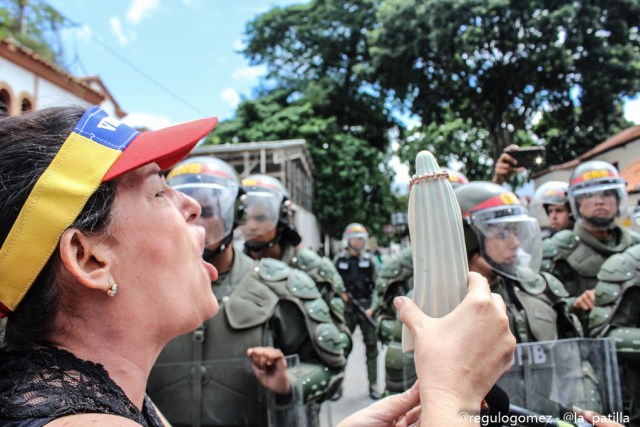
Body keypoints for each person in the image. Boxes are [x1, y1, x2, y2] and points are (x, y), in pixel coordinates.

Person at [0, 106, 516, 427]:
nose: (193, 208)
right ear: (88, 257)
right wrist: (454, 396)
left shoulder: (105, 396)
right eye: (159, 190)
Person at [147, 157, 346, 427]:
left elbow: (330, 367)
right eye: (176, 209)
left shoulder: (280, 286)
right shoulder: (137, 292)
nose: (193, 219)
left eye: (208, 210)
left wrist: (289, 382)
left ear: (237, 213)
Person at [455, 182, 599, 415]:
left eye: (515, 232)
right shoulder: (440, 304)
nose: (515, 243)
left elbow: (576, 367)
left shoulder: (544, 288)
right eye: (502, 234)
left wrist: (585, 416)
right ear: (467, 239)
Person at [240, 174, 350, 351]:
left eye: (260, 218)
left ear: (282, 218)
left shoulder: (314, 269)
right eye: (245, 218)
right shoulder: (230, 269)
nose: (251, 226)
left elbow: (340, 342)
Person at [543, 160, 640, 323]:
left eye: (607, 193)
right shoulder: (556, 250)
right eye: (589, 195)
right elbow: (539, 309)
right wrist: (575, 304)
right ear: (577, 203)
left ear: (617, 199)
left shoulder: (636, 244)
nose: (599, 201)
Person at [334, 223, 380, 399]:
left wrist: (373, 308)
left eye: (361, 239)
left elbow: (378, 287)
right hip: (346, 311)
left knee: (372, 348)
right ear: (348, 240)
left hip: (366, 309)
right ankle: (337, 387)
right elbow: (331, 283)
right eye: (355, 239)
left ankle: (374, 385)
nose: (358, 242)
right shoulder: (339, 260)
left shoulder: (370, 261)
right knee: (341, 348)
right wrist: (340, 295)